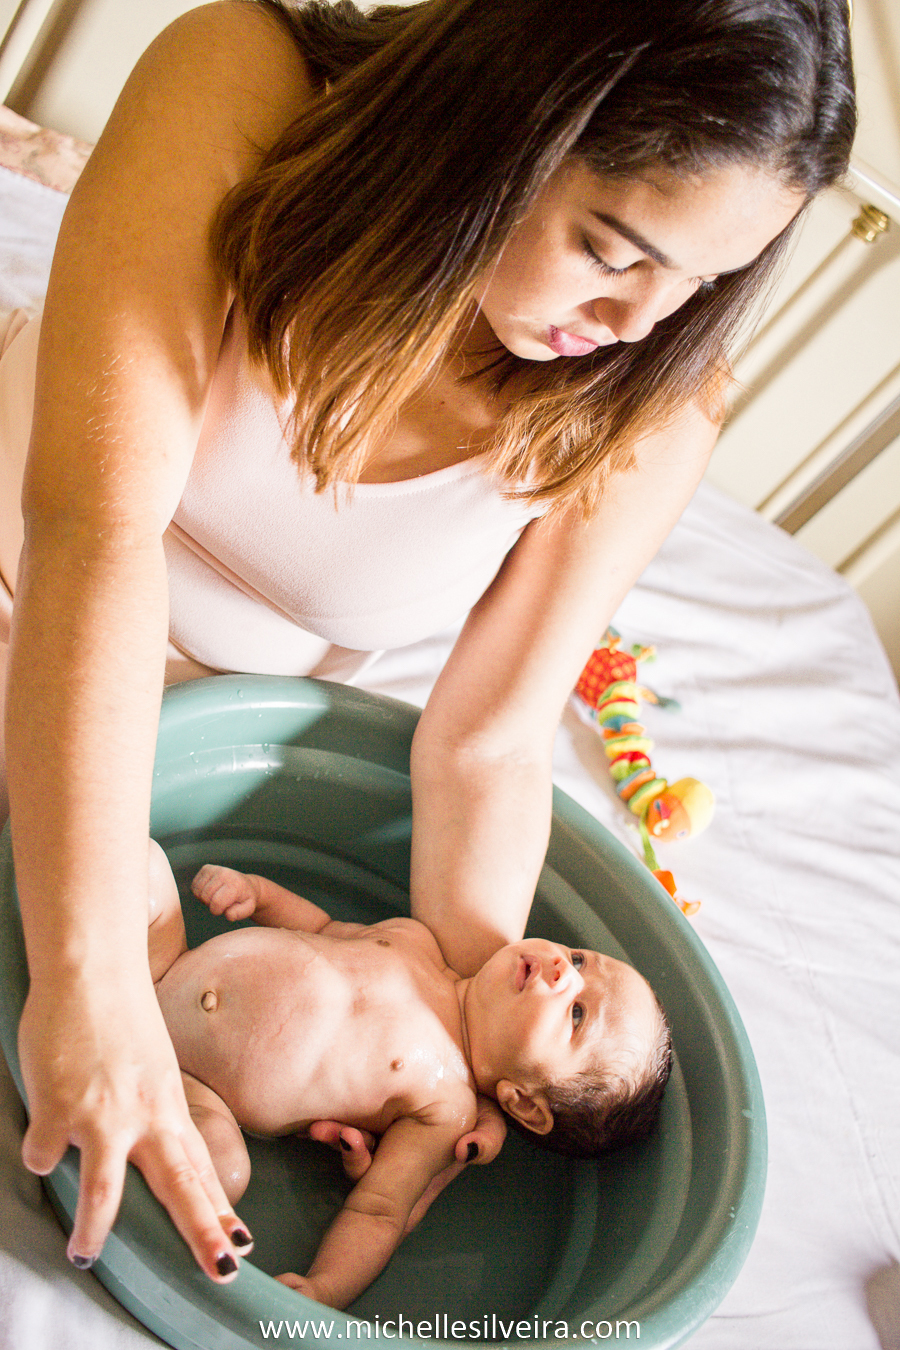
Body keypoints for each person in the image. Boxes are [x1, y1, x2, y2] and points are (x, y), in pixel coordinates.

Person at [0, 0, 855, 1286]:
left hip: (206, 720)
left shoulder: (656, 392)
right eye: (610, 245)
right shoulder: (245, 80)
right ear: (499, 123)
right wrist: (90, 992)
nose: (640, 321)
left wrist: (468, 1032)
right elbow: (91, 531)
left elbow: (490, 743)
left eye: (703, 280)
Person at [147, 842, 671, 1308]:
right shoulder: (415, 940)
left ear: (525, 1104)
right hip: (159, 963)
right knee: (144, 864)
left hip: (193, 1086)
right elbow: (324, 928)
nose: (564, 968)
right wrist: (257, 894)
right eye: (580, 958)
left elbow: (379, 1211)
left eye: (577, 1012)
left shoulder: (447, 1109)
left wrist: (326, 1287)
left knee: (224, 1174)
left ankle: (125, 1113)